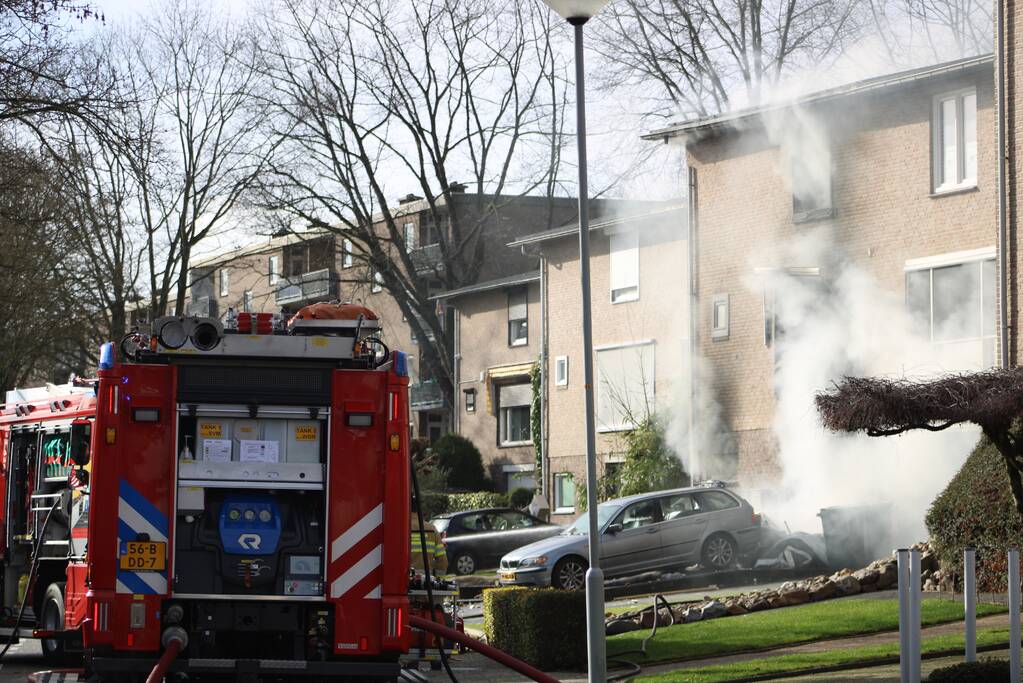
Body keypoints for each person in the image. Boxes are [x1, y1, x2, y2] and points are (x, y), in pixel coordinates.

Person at [410, 501, 447, 576]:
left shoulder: (398, 529)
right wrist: (438, 578)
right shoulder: (431, 529)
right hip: (426, 582)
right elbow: (442, 561)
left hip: (401, 581)